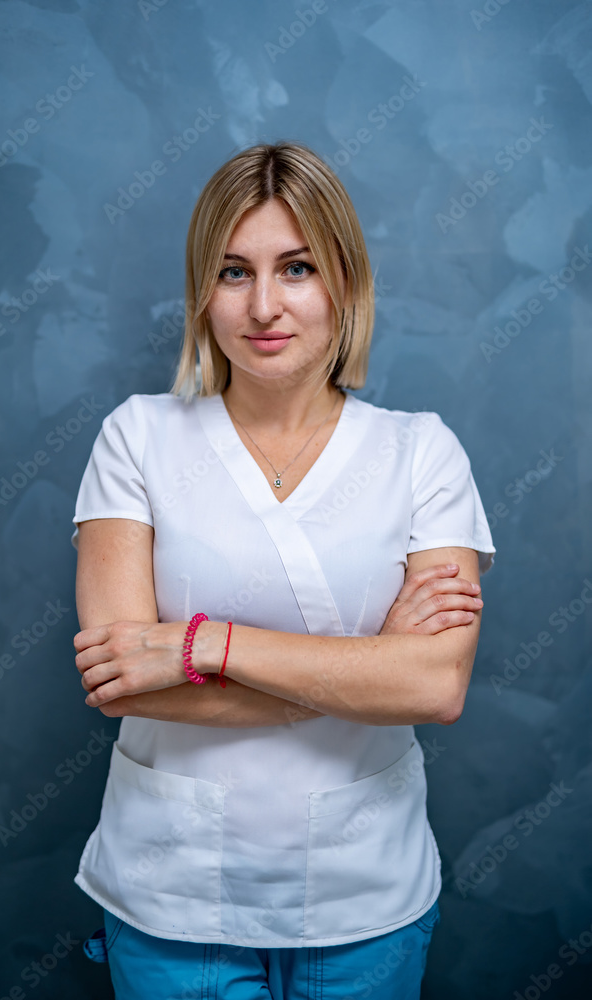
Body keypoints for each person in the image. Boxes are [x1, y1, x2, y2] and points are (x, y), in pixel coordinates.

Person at [70, 140, 496, 999]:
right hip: (170, 893)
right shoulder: (138, 437)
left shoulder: (421, 451)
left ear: (343, 280)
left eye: (295, 268)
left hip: (364, 895)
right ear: (203, 291)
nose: (264, 306)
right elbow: (124, 681)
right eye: (233, 273)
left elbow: (435, 688)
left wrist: (202, 643)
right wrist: (371, 663)